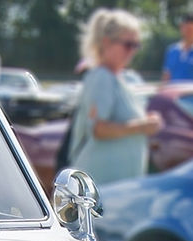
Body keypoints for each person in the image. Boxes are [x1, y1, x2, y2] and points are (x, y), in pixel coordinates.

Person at [68, 9, 163, 185]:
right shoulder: (102, 78)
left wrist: (146, 122)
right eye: (128, 44)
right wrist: (142, 126)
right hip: (101, 188)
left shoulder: (121, 78)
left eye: (136, 45)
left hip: (116, 187)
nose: (132, 51)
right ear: (106, 43)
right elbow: (98, 129)